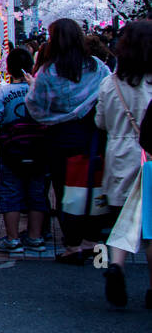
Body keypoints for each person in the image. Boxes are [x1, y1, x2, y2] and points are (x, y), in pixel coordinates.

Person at [25, 18, 113, 263]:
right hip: (92, 135)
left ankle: (72, 246)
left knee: (65, 191)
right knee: (94, 187)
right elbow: (108, 93)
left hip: (59, 138)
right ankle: (91, 243)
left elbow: (35, 105)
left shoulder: (48, 72)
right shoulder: (97, 67)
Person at [96, 21, 152, 307]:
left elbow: (100, 121)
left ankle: (114, 265)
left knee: (119, 220)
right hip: (148, 156)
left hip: (119, 154)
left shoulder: (111, 82)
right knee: (150, 226)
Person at [0, 48, 49, 254]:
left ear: (9, 68)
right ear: (31, 66)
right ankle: (35, 238)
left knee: (10, 192)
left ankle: (12, 239)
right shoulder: (39, 89)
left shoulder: (4, 91)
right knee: (37, 192)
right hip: (39, 148)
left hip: (11, 149)